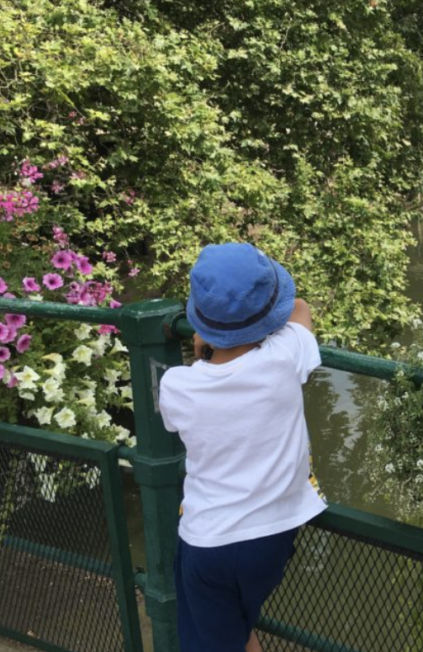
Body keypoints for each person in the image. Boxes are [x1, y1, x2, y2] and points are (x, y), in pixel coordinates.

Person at [159, 243, 326, 652]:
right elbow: (300, 308)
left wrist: (208, 342)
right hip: (272, 539)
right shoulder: (285, 355)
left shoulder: (176, 385)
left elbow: (174, 423)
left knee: (213, 638)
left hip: (208, 541)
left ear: (200, 320)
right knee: (235, 629)